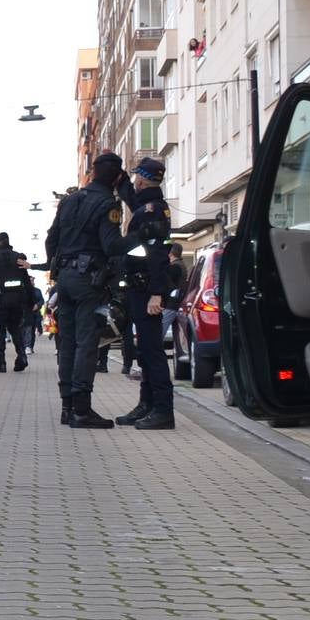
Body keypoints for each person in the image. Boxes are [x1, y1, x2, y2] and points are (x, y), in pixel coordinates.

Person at [48, 151, 126, 428]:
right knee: (86, 343)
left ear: (91, 172)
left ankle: (67, 407)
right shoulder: (108, 203)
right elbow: (112, 246)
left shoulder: (68, 201)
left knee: (66, 343)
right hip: (88, 280)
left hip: (65, 278)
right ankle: (82, 408)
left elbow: (51, 238)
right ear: (117, 177)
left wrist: (55, 269)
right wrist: (140, 237)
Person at [118, 157, 175, 427]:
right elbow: (131, 198)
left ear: (141, 179)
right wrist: (116, 175)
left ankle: (163, 410)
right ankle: (147, 404)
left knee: (152, 351)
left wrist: (156, 293)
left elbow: (157, 255)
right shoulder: (147, 206)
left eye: (134, 178)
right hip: (140, 287)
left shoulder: (151, 210)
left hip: (146, 289)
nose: (133, 183)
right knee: (145, 350)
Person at [0, 231, 31, 372]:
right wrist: (30, 300)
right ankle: (22, 356)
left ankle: (1, 362)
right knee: (16, 329)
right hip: (17, 300)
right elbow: (26, 281)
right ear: (8, 241)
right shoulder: (18, 257)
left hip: (0, 300)